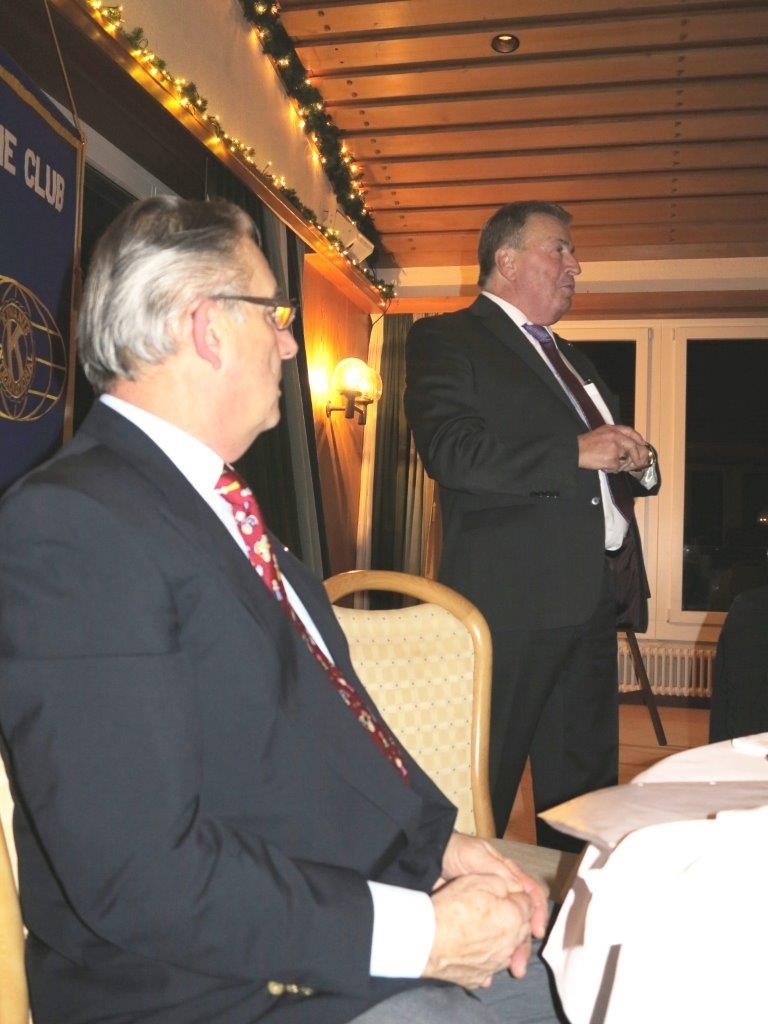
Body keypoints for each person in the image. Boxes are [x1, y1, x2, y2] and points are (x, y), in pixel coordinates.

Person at [0, 196, 561, 1024]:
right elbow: (139, 872)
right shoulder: (74, 524)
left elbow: (312, 748)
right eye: (276, 313)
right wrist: (424, 935)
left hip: (326, 935)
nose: (291, 342)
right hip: (213, 993)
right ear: (207, 326)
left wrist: (440, 851)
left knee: (624, 959)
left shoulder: (217, 511)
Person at [405, 201, 660, 850]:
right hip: (509, 603)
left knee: (584, 796)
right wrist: (577, 451)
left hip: (590, 597)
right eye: (560, 249)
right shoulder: (448, 339)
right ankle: (462, 903)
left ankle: (570, 906)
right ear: (507, 259)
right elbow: (453, 452)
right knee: (480, 787)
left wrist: (640, 463)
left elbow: (601, 465)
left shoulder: (573, 359)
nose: (576, 265)